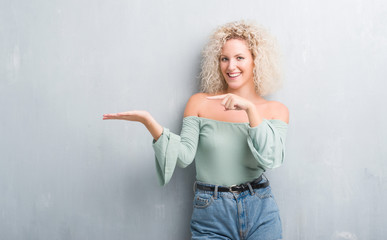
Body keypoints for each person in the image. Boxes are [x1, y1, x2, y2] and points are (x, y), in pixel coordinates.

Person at [103, 20, 289, 240]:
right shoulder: (199, 103)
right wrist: (149, 123)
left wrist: (250, 110)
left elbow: (270, 159)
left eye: (240, 58)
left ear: (255, 61)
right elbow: (183, 157)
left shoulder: (275, 110)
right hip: (211, 210)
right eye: (224, 59)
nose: (231, 67)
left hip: (260, 208)